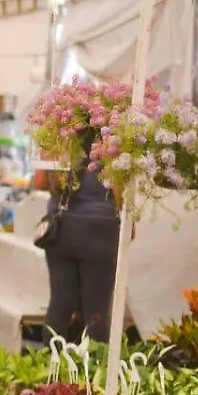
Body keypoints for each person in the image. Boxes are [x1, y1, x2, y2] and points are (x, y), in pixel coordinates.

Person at [33, 138, 120, 344]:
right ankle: (93, 371)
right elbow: (121, 190)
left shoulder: (58, 127)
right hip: (101, 229)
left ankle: (49, 367)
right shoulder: (114, 134)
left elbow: (41, 182)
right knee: (96, 309)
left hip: (62, 228)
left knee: (60, 303)